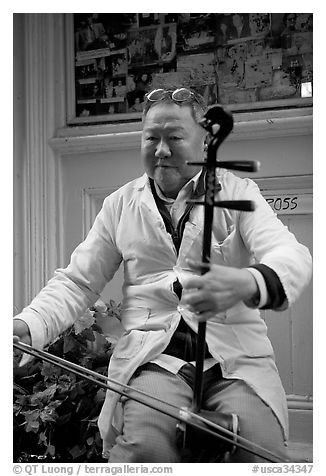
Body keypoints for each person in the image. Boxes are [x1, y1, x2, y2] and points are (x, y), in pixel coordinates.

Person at [13, 87, 312, 463]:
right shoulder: (120, 205)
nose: (161, 150)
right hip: (158, 358)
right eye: (151, 138)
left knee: (260, 451)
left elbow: (292, 255)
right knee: (145, 451)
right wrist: (29, 325)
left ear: (204, 143)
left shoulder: (238, 192)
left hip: (234, 359)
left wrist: (250, 281)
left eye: (174, 138)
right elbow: (79, 281)